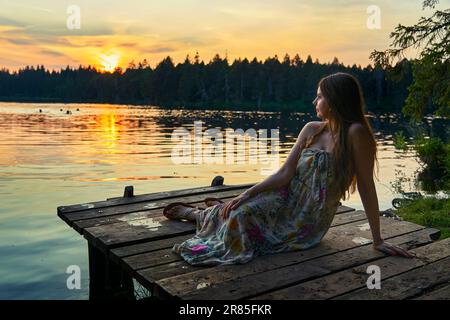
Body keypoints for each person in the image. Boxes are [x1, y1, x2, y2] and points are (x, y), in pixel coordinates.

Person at [163, 72, 414, 266]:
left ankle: (201, 214)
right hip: (285, 197)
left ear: (335, 99)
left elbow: (367, 187)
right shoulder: (311, 129)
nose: (315, 100)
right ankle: (200, 214)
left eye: (320, 96)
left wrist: (377, 239)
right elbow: (285, 173)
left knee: (240, 220)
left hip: (308, 217)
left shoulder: (356, 134)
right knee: (240, 208)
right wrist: (249, 192)